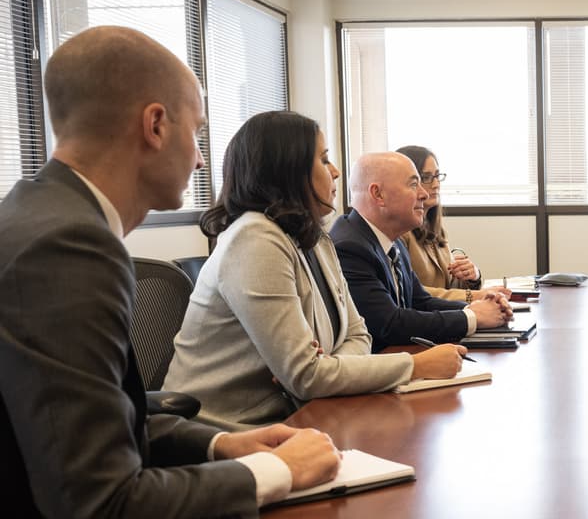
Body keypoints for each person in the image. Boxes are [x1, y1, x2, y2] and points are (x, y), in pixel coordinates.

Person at [0, 27, 340, 519]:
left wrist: (222, 443)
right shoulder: (67, 245)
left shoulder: (40, 212)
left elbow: (96, 414)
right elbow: (103, 506)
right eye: (197, 128)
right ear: (155, 124)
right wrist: (276, 474)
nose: (200, 152)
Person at [163, 112, 466, 429]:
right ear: (287, 170)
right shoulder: (254, 239)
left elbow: (358, 333)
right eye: (323, 161)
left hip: (297, 416)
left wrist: (327, 366)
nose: (335, 173)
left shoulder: (317, 238)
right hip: (224, 432)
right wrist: (414, 365)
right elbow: (306, 376)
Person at [330, 151, 513, 351]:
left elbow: (420, 302)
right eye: (413, 184)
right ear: (378, 194)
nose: (424, 194)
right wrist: (472, 316)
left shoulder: (393, 242)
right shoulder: (349, 247)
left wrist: (480, 308)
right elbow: (388, 324)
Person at [396, 145, 499, 298]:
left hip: (444, 314)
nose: (436, 184)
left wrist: (472, 276)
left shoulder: (435, 228)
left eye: (437, 176)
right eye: (426, 178)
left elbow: (448, 285)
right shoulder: (399, 232)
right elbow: (411, 292)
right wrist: (474, 296)